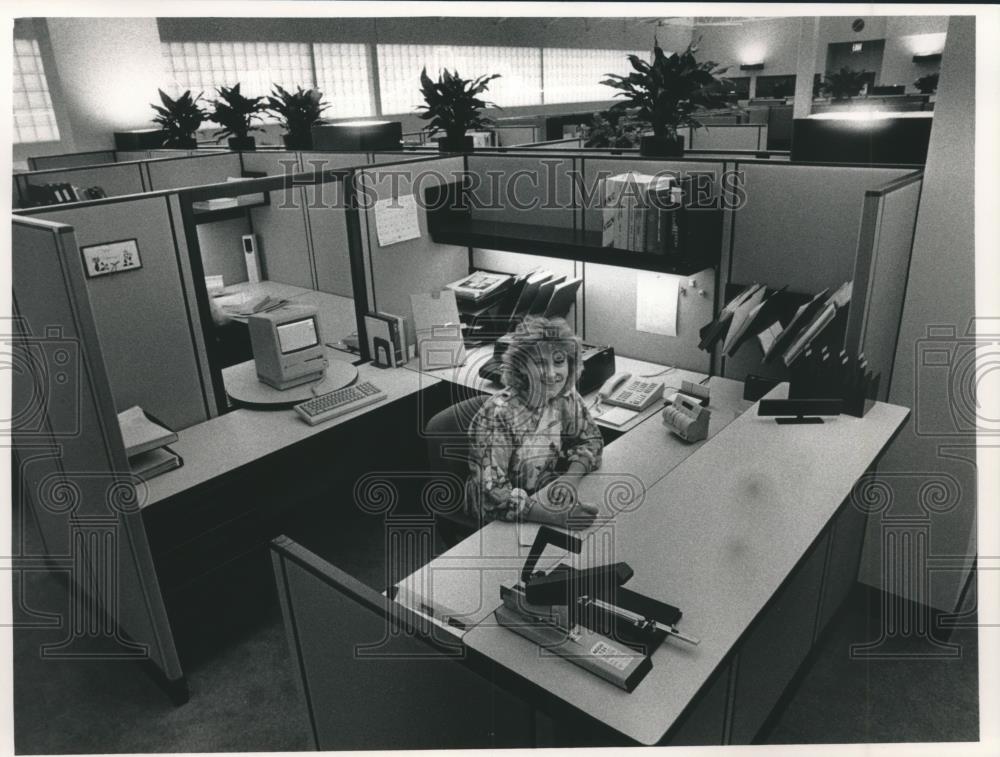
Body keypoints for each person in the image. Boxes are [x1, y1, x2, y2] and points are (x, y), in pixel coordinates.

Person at [465, 316, 603, 530]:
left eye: (559, 362)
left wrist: (570, 478)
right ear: (521, 367)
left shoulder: (565, 396)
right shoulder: (498, 414)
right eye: (539, 363)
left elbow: (591, 441)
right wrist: (557, 518)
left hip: (541, 492)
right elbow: (492, 494)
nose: (551, 374)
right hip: (496, 516)